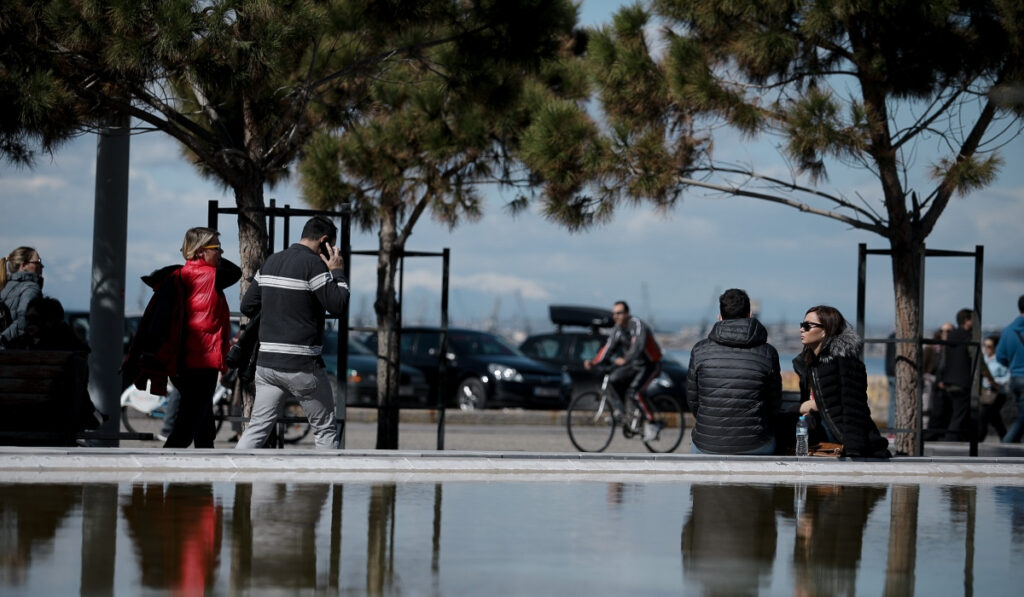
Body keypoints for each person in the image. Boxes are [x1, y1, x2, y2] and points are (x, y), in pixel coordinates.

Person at [235, 216, 350, 450]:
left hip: (267, 364)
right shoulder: (314, 265)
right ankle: (319, 486)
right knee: (325, 429)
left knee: (257, 428)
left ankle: (240, 481)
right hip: (302, 364)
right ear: (325, 241)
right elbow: (338, 305)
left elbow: (247, 306)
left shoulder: (271, 261)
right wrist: (337, 272)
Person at [163, 228, 241, 448]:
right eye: (216, 247)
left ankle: (203, 479)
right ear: (199, 252)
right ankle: (157, 474)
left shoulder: (179, 275)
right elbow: (235, 272)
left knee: (204, 427)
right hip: (201, 362)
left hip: (181, 361)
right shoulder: (211, 276)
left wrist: (208, 253)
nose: (221, 252)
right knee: (185, 429)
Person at [685, 288, 782, 455]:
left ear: (720, 318)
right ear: (750, 315)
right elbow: (774, 402)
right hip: (756, 443)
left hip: (707, 443)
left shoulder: (699, 350)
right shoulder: (768, 352)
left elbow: (693, 400)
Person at [793, 305, 889, 458]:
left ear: (825, 330)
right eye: (801, 325)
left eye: (807, 326)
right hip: (819, 433)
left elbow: (853, 407)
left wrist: (854, 451)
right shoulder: (806, 365)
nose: (801, 330)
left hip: (845, 438)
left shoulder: (844, 361)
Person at [583, 300, 664, 442]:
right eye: (614, 313)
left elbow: (638, 347)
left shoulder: (637, 325)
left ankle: (653, 423)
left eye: (619, 313)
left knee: (636, 393)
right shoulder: (617, 329)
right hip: (633, 364)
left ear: (627, 313)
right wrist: (594, 361)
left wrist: (625, 360)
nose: (616, 316)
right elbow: (608, 348)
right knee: (613, 379)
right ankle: (620, 412)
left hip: (650, 364)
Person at [931, 309, 974, 441]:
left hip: (949, 382)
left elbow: (944, 361)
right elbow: (976, 359)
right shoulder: (968, 337)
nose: (945, 334)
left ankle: (952, 438)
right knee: (958, 415)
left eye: (948, 331)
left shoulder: (950, 339)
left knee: (955, 414)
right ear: (967, 320)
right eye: (942, 331)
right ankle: (950, 439)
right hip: (961, 382)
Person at [0, 246, 44, 346]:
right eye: (38, 262)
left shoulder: (4, 287)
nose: (42, 266)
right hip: (15, 351)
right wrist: (3, 339)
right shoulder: (31, 288)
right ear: (23, 265)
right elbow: (24, 320)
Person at [997, 295, 1024, 443]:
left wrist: (1013, 366)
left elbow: (1000, 356)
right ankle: (1006, 444)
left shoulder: (1008, 330)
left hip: (1015, 377)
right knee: (1021, 418)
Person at [978, 334, 1008, 442]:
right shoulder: (984, 359)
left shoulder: (1001, 360)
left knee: (986, 415)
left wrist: (995, 382)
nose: (986, 349)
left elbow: (1007, 376)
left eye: (989, 346)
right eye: (985, 346)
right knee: (993, 417)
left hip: (997, 393)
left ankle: (980, 437)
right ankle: (1005, 437)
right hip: (985, 392)